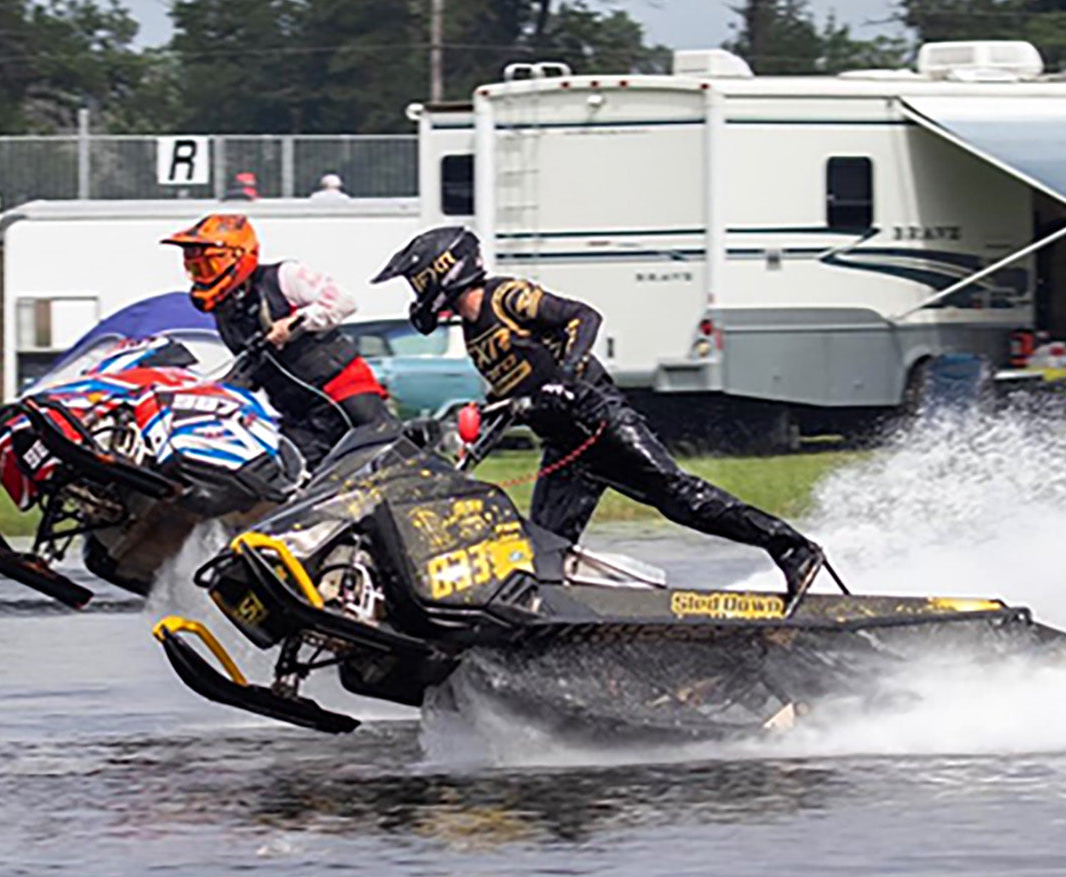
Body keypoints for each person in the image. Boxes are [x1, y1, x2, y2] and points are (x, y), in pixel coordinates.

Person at [372, 225, 826, 602]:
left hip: (598, 419)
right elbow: (510, 397)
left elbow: (583, 317)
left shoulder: (506, 297)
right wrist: (467, 452)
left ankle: (793, 550)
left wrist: (565, 376)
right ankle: (562, 625)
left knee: (678, 498)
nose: (416, 294)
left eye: (417, 281)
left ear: (443, 272)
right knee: (542, 546)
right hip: (565, 446)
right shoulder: (474, 335)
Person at [163, 213, 393, 465]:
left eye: (209, 267)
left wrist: (297, 322)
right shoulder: (224, 312)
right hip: (296, 413)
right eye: (195, 270)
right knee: (298, 479)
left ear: (239, 255)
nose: (203, 277)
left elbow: (343, 301)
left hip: (342, 392)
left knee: (383, 457)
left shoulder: (284, 276)